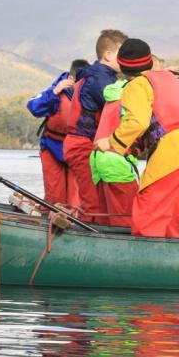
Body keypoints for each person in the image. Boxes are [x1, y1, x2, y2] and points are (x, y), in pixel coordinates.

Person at [94, 38, 179, 238]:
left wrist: (110, 142)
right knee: (170, 214)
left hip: (172, 153)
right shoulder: (169, 79)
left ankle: (145, 261)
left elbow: (137, 122)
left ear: (123, 66)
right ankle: (170, 255)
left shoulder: (136, 85)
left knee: (147, 207)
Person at [64, 29, 126, 219]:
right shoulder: (100, 79)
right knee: (92, 200)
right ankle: (88, 235)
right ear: (108, 55)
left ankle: (97, 228)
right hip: (81, 144)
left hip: (85, 144)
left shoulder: (95, 75)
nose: (126, 60)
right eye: (122, 55)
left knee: (97, 197)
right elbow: (120, 107)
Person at [26, 59, 89, 207]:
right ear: (71, 79)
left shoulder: (89, 92)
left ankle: (76, 224)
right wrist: (54, 92)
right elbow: (33, 107)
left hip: (77, 150)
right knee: (55, 197)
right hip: (52, 147)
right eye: (80, 82)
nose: (83, 86)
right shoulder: (55, 91)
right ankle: (51, 222)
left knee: (77, 200)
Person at [88, 78, 139, 227]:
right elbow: (136, 124)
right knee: (126, 219)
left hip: (98, 157)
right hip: (117, 159)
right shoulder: (132, 93)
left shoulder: (114, 92)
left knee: (106, 217)